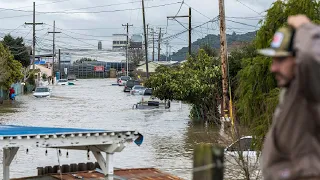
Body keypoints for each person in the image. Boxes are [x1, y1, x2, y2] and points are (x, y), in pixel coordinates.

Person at [258, 15, 320, 180]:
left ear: (298, 59)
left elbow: (311, 57)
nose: (273, 68)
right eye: (273, 60)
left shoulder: (311, 88)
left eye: (281, 59)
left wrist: (305, 27)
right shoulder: (291, 92)